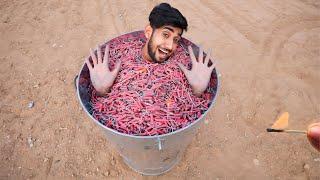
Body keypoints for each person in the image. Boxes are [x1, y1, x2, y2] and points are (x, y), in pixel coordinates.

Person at [85, 3, 216, 97]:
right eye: (165, 34)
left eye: (176, 39)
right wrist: (102, 91)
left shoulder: (183, 68)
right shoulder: (119, 60)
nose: (170, 46)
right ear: (148, 32)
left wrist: (197, 91)